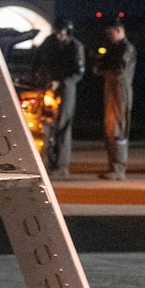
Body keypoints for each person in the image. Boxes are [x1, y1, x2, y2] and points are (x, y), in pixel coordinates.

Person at [38, 19, 85, 176]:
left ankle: (62, 166)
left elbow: (78, 72)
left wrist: (61, 82)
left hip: (66, 88)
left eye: (62, 31)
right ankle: (50, 163)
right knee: (48, 125)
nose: (59, 34)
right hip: (50, 86)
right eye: (57, 31)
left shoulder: (75, 46)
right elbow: (39, 59)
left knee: (63, 125)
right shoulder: (50, 42)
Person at [96, 20, 137, 179]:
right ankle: (113, 165)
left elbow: (120, 71)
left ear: (119, 30)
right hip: (112, 87)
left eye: (111, 32)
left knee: (119, 127)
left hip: (120, 89)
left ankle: (119, 168)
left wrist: (103, 69)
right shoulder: (115, 48)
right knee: (111, 127)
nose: (109, 35)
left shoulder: (126, 48)